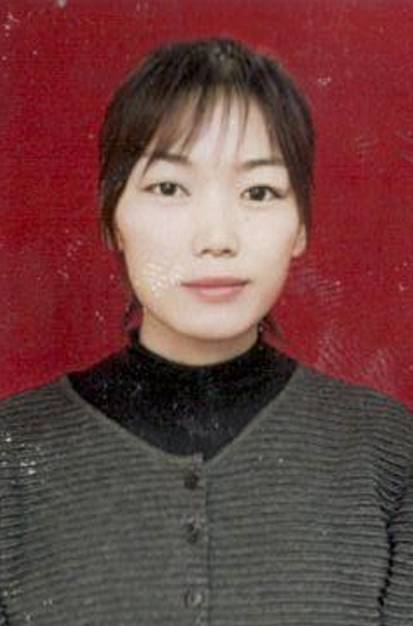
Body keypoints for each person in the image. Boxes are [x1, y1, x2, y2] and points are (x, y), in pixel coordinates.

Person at [0, 37, 412, 626]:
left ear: (301, 225)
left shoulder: (390, 455)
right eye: (169, 188)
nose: (217, 238)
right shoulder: (12, 454)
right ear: (112, 218)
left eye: (259, 192)